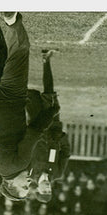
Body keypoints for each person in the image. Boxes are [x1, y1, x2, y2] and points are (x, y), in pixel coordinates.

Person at [0, 12, 58, 202]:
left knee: (20, 52)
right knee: (0, 60)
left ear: (10, 184)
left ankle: (11, 21)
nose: (29, 182)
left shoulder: (20, 164)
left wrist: (52, 111)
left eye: (24, 186)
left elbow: (34, 131)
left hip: (10, 99)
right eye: (30, 186)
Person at [25, 49, 71, 203]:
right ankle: (46, 59)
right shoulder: (57, 173)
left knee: (30, 95)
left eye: (44, 190)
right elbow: (65, 154)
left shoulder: (29, 172)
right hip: (54, 127)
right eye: (49, 189)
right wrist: (61, 138)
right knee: (50, 95)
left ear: (37, 189)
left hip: (37, 125)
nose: (47, 186)